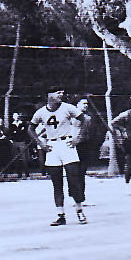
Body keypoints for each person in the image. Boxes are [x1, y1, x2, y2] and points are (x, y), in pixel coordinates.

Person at [29, 87, 87, 226]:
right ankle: (60, 214)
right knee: (56, 182)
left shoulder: (68, 108)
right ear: (49, 95)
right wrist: (41, 144)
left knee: (73, 179)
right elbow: (30, 128)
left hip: (67, 145)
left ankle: (79, 210)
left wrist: (77, 138)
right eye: (57, 93)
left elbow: (84, 120)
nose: (61, 95)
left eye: (62, 93)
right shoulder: (41, 112)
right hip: (52, 147)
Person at [72, 98, 96, 203]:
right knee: (73, 172)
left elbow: (87, 132)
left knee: (81, 171)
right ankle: (74, 194)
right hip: (71, 145)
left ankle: (80, 196)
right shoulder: (70, 117)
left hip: (83, 145)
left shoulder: (87, 118)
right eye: (83, 103)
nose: (86, 105)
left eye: (87, 104)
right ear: (77, 104)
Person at [7, 111, 31, 179]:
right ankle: (19, 173)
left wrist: (26, 141)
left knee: (24, 159)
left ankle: (27, 173)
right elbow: (10, 134)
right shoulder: (11, 125)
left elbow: (26, 133)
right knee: (16, 159)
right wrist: (12, 140)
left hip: (22, 142)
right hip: (15, 143)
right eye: (14, 116)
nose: (16, 117)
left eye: (17, 115)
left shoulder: (23, 124)